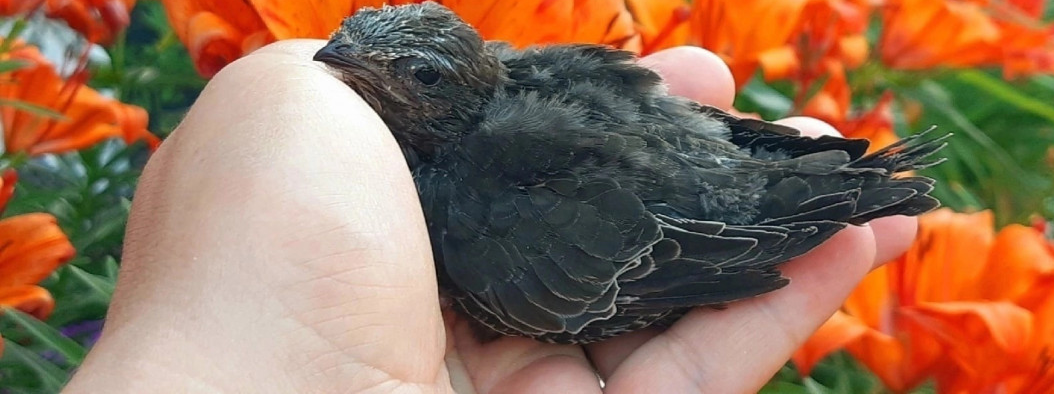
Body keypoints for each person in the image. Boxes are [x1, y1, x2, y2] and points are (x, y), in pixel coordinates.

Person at [62, 41, 918, 394]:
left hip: (690, 226)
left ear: (463, 81)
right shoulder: (459, 145)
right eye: (349, 55)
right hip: (686, 204)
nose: (347, 71)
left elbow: (647, 225)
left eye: (417, 78)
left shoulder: (468, 207)